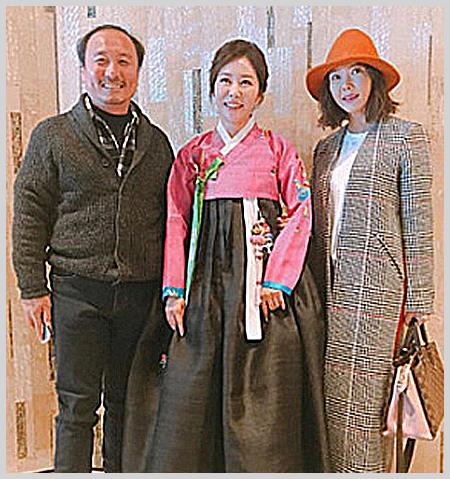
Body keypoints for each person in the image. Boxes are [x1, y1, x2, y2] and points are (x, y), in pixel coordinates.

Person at [122, 38, 328, 473]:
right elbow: (176, 220)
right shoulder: (194, 154)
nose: (234, 92)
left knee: (264, 393)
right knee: (191, 386)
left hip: (261, 287)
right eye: (226, 81)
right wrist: (174, 290)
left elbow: (300, 214)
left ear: (260, 94)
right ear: (213, 88)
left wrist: (278, 281)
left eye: (246, 83)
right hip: (204, 284)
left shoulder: (278, 151)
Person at [12, 24, 174, 473]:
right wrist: (32, 288)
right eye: (101, 60)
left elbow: (171, 221)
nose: (112, 71)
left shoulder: (157, 143)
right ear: (83, 70)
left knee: (127, 403)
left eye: (124, 61)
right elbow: (29, 213)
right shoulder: (53, 135)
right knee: (77, 406)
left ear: (137, 72)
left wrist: (171, 290)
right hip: (76, 291)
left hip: (140, 294)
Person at [305, 28, 435, 472]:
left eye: (356, 72)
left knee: (366, 409)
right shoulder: (326, 149)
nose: (346, 85)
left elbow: (418, 220)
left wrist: (419, 299)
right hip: (330, 290)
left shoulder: (404, 137)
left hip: (378, 293)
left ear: (374, 80)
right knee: (333, 406)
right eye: (336, 77)